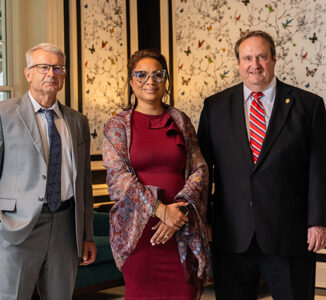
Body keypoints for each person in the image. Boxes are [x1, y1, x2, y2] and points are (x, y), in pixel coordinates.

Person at [197, 30, 326, 300]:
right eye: (247, 58)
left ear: (273, 58)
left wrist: (319, 222)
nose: (255, 65)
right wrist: (204, 219)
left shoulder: (308, 106)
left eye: (261, 56)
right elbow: (202, 171)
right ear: (238, 63)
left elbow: (320, 170)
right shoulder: (215, 107)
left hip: (290, 235)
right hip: (231, 235)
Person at [102, 49, 210, 300]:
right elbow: (119, 177)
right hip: (139, 235)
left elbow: (199, 169)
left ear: (165, 80)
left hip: (181, 229)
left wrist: (179, 211)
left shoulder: (180, 120)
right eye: (141, 75)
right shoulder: (117, 125)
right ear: (130, 81)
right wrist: (161, 210)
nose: (150, 81)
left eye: (157, 75)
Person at [0, 43, 96, 299]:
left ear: (64, 75)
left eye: (57, 68)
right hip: (16, 227)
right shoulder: (3, 113)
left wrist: (86, 234)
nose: (51, 74)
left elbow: (84, 183)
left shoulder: (77, 121)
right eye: (43, 67)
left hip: (65, 226)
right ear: (28, 73)